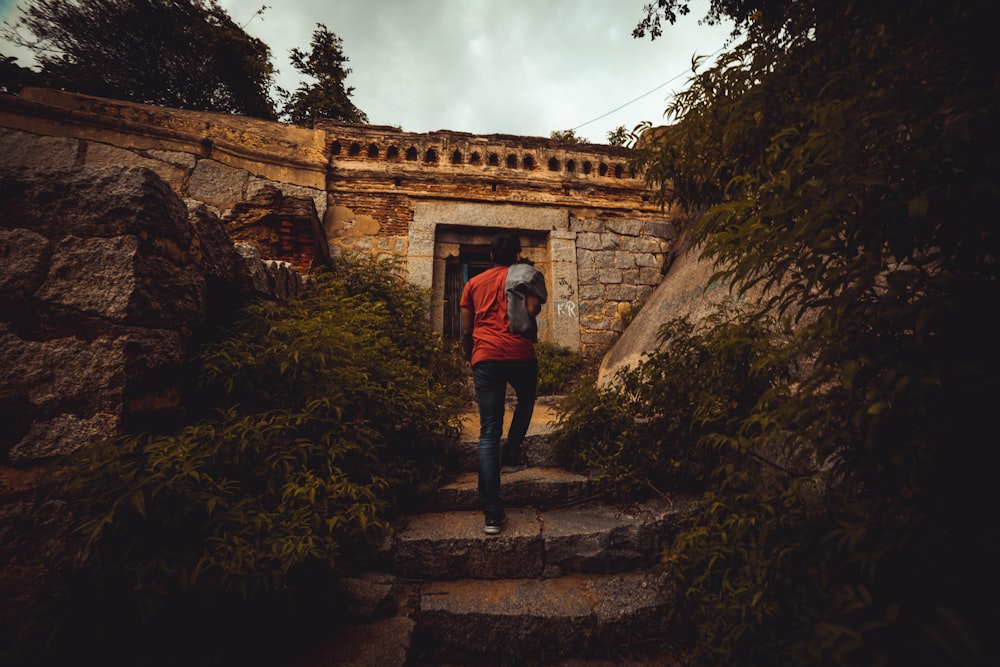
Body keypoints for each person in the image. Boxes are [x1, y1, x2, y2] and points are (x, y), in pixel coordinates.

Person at [460, 231, 547, 535]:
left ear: (491, 255)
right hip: (520, 354)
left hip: (485, 355)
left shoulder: (472, 284)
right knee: (526, 399)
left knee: (487, 432)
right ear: (517, 256)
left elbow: (467, 329)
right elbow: (534, 309)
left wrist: (468, 353)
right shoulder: (523, 279)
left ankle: (493, 516)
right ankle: (512, 452)